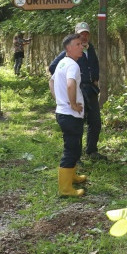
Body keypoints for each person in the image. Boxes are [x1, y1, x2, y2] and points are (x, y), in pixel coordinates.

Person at [48, 22, 106, 160]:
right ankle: (76, 157)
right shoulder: (69, 53)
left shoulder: (90, 48)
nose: (84, 37)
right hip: (79, 92)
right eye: (81, 34)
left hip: (91, 91)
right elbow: (53, 68)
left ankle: (91, 150)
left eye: (86, 34)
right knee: (77, 124)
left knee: (95, 122)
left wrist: (95, 79)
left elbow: (94, 65)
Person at [50, 33, 87, 197]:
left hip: (63, 113)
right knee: (71, 150)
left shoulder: (61, 63)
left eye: (81, 44)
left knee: (75, 146)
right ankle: (65, 189)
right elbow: (71, 84)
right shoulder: (72, 65)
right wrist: (72, 104)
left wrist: (59, 100)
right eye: (77, 44)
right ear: (68, 48)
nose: (81, 47)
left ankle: (72, 176)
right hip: (70, 115)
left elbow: (51, 81)